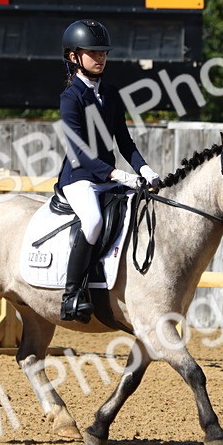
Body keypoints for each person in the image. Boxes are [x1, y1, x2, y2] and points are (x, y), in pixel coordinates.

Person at [56, 19, 161, 323]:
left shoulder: (111, 94)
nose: (100, 58)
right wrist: (117, 175)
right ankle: (71, 295)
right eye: (93, 52)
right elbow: (79, 153)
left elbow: (124, 141)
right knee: (92, 221)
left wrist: (145, 169)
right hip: (80, 180)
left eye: (103, 53)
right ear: (74, 56)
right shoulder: (71, 98)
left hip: (109, 179)